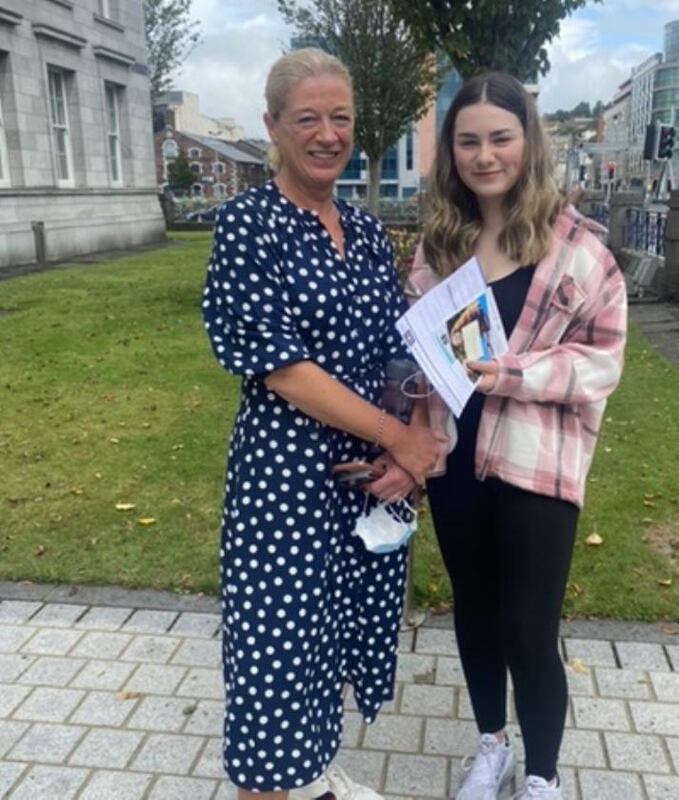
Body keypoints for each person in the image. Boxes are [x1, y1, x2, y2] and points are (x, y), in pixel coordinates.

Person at [201, 48, 444, 800]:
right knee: (275, 668)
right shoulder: (249, 226)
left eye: (340, 117)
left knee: (330, 639)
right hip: (285, 491)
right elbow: (283, 368)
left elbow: (394, 351)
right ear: (273, 125)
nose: (328, 133)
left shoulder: (369, 235)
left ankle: (313, 773)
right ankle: (273, 786)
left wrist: (411, 447)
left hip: (362, 484)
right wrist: (395, 436)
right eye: (307, 118)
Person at [405, 73, 627, 800]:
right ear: (451, 151)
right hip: (457, 456)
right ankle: (492, 745)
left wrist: (516, 373)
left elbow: (602, 363)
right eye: (467, 140)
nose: (484, 154)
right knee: (475, 609)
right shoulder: (442, 242)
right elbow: (420, 346)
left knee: (530, 627)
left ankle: (542, 776)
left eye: (500, 137)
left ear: (528, 142)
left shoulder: (579, 249)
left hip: (537, 461)